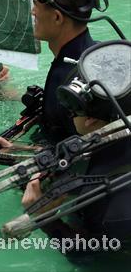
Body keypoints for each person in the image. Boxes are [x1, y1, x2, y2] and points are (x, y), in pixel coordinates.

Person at [21, 40, 131, 255]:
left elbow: (93, 258)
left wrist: (45, 219)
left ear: (90, 120)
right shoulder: (114, 142)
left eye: (72, 109)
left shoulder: (113, 208)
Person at [15, 0, 110, 144]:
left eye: (35, 5)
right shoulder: (99, 52)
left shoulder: (69, 90)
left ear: (57, 18)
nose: (32, 11)